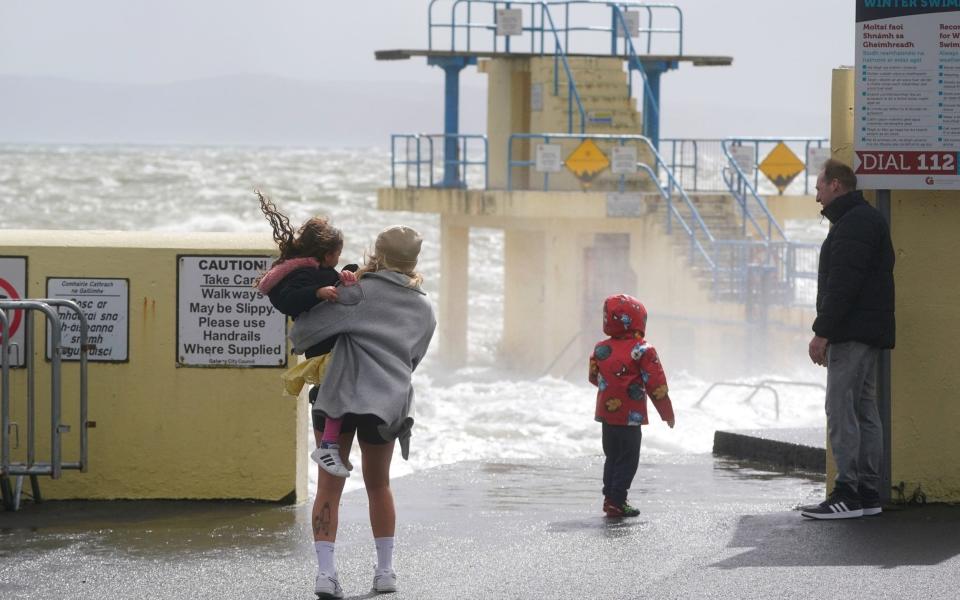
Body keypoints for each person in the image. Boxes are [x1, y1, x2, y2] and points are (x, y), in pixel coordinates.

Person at [289, 225, 436, 598]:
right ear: (413, 261)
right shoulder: (424, 306)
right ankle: (385, 571)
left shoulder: (359, 293)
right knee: (379, 484)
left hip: (337, 399)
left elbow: (302, 335)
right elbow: (412, 358)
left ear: (377, 254)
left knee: (329, 488)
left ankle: (326, 574)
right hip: (387, 403)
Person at [801, 159, 895, 520]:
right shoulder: (862, 219)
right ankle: (868, 493)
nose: (817, 196)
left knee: (840, 409)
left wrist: (822, 332)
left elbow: (843, 285)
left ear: (837, 185)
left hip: (852, 332)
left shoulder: (853, 225)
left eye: (819, 187)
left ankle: (847, 493)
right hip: (867, 331)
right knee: (864, 409)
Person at [254, 191, 358, 478]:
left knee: (339, 392)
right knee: (336, 393)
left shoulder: (319, 271)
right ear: (325, 254)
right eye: (337, 255)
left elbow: (333, 282)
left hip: (330, 347)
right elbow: (288, 300)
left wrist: (347, 275)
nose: (338, 260)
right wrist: (317, 293)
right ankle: (327, 447)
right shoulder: (302, 275)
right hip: (323, 349)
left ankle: (331, 447)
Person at [589, 294, 675, 518]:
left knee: (612, 456)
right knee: (628, 458)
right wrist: (667, 413)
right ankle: (618, 501)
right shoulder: (644, 350)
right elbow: (656, 385)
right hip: (630, 417)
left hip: (607, 415)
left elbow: (593, 378)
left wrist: (612, 385)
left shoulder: (600, 349)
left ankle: (610, 498)